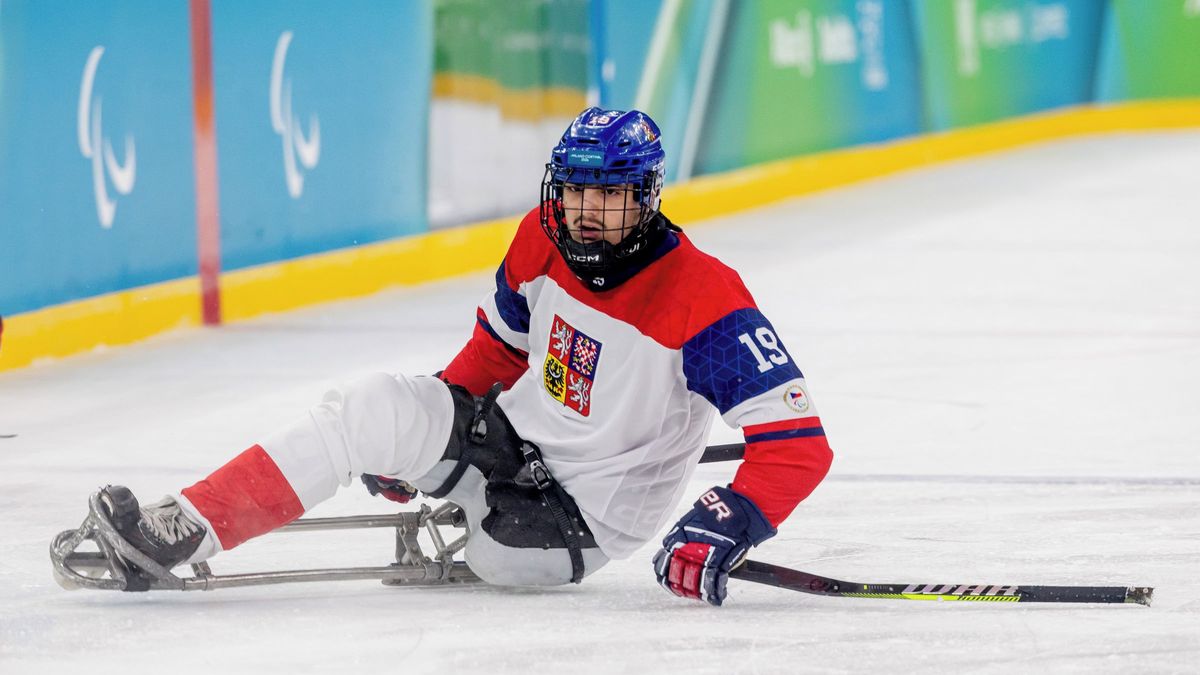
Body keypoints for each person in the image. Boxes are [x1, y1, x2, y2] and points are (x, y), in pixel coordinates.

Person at [82, 107, 833, 606]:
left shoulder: (707, 298)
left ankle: (481, 516)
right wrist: (416, 437)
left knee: (500, 550)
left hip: (587, 516)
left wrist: (726, 518)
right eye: (574, 192)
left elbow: (798, 445)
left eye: (607, 197)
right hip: (514, 437)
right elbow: (496, 351)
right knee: (368, 407)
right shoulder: (541, 238)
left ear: (648, 196)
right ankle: (179, 525)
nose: (585, 213)